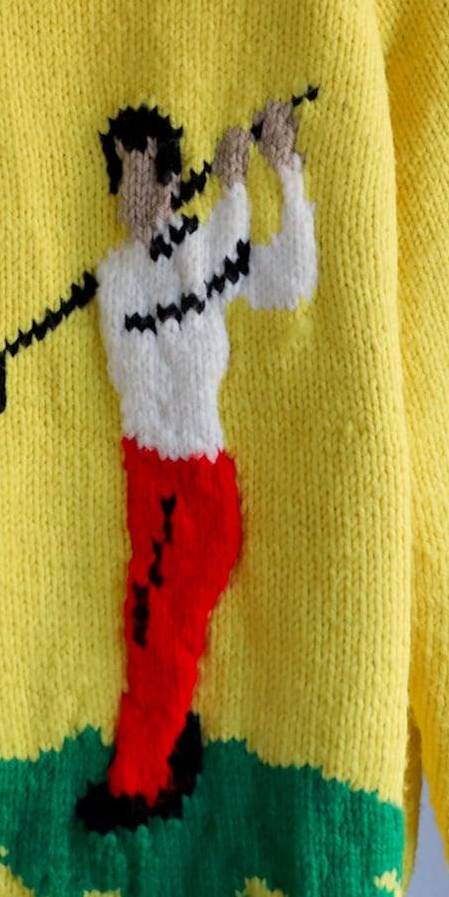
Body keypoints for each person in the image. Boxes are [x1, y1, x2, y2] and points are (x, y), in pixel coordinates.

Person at [77, 94, 318, 832]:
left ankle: (139, 782)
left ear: (172, 180)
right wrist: (230, 206)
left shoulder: (202, 250)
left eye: (141, 175)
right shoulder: (124, 277)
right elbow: (151, 352)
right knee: (149, 625)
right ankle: (164, 758)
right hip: (148, 476)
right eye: (122, 177)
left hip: (197, 485)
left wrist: (281, 175)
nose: (130, 194)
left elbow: (289, 280)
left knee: (163, 629)